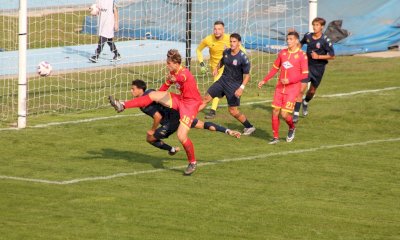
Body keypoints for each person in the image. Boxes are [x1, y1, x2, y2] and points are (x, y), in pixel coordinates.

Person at [109, 49, 202, 175]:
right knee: (152, 94)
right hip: (181, 99)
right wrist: (158, 96)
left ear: (175, 63)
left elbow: (181, 78)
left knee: (181, 136)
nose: (167, 65)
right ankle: (123, 105)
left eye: (169, 63)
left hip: (191, 104)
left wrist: (174, 79)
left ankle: (192, 162)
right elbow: (164, 87)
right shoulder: (173, 72)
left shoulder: (184, 73)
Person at [129, 79, 241, 155]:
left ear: (140, 89)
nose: (131, 91)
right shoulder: (150, 91)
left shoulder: (143, 103)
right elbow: (161, 92)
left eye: (133, 89)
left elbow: (157, 117)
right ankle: (228, 131)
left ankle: (172, 149)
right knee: (201, 124)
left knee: (150, 138)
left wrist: (152, 130)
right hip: (180, 113)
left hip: (170, 121)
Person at [198, 33, 256, 136]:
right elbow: (222, 61)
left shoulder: (243, 58)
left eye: (234, 42)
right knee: (206, 98)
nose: (232, 44)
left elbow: (247, 76)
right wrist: (216, 68)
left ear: (239, 43)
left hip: (234, 86)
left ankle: (249, 126)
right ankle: (187, 117)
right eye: (231, 41)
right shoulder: (226, 52)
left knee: (233, 111)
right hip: (222, 81)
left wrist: (241, 88)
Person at [258, 31, 308, 144]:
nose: (288, 41)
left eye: (291, 39)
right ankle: (275, 137)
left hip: (293, 89)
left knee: (284, 114)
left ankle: (292, 127)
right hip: (280, 88)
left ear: (296, 41)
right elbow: (275, 68)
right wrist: (264, 80)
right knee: (275, 111)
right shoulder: (282, 53)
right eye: (287, 39)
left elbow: (304, 74)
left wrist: (290, 80)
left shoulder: (302, 55)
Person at [292, 17, 335, 123]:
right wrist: (296, 48)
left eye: (317, 25)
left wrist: (318, 57)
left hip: (319, 69)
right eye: (314, 25)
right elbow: (301, 43)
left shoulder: (325, 40)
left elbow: (332, 56)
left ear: (322, 27)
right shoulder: (308, 36)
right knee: (301, 89)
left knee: (311, 91)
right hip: (306, 67)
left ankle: (305, 102)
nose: (315, 27)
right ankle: (296, 113)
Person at [197, 20, 239, 119]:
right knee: (219, 87)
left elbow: (241, 48)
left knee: (217, 84)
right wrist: (202, 64)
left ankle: (212, 110)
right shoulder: (208, 39)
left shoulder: (230, 39)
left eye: (219, 29)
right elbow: (198, 50)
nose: (217, 31)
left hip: (226, 67)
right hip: (214, 67)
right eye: (215, 29)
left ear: (223, 30)